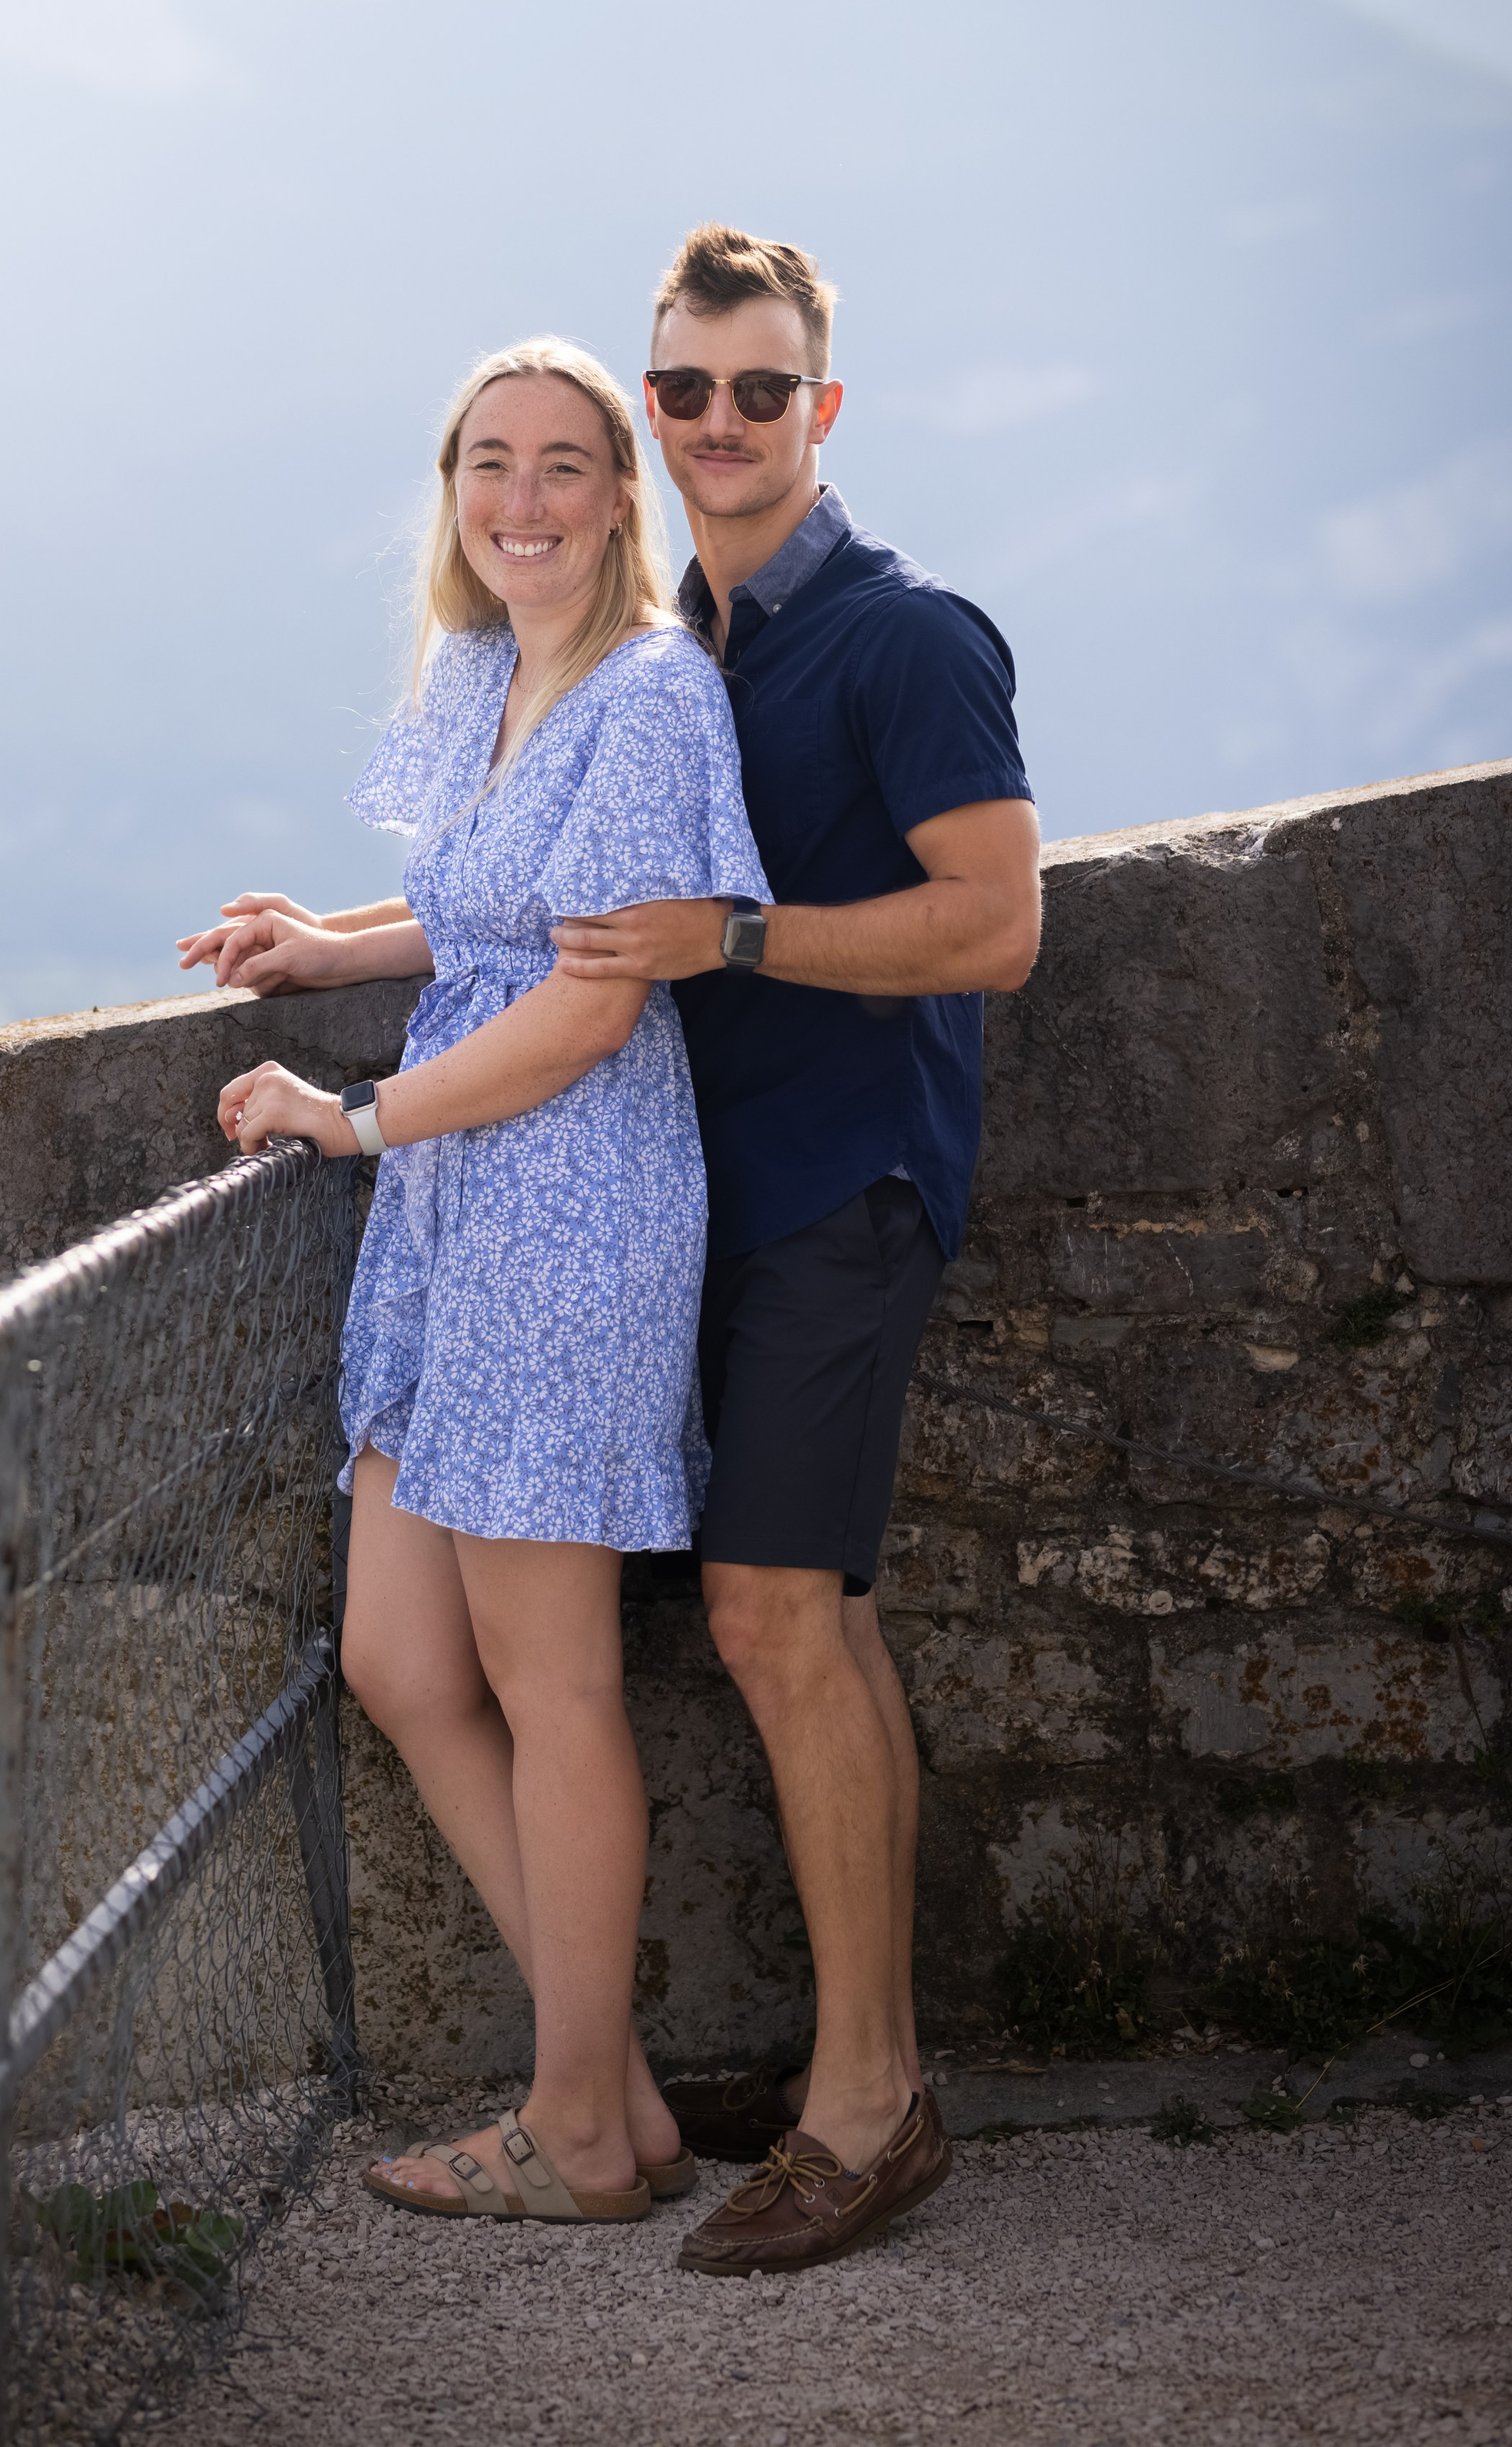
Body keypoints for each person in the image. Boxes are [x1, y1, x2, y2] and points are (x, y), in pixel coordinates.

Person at [177, 337, 771, 2230]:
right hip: (456, 1199)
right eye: (486, 462)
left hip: (565, 1200)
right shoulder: (499, 670)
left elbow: (593, 1000)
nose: (520, 498)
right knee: (401, 1658)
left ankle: (577, 2124)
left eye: (564, 465)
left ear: (619, 498)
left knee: (551, 1676)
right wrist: (322, 938)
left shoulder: (655, 691)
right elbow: (493, 903)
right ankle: (612, 2099)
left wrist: (352, 1121)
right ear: (453, 492)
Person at [552, 225, 1040, 2276]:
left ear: (821, 411)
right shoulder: (682, 637)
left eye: (761, 390)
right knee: (799, 1615)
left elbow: (997, 921)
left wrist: (738, 940)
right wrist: (329, 945)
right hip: (713, 1198)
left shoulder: (909, 634)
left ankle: (870, 2103)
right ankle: (864, 2064)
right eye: (684, 390)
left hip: (849, 1183)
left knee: (773, 1614)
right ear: (653, 410)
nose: (720, 423)